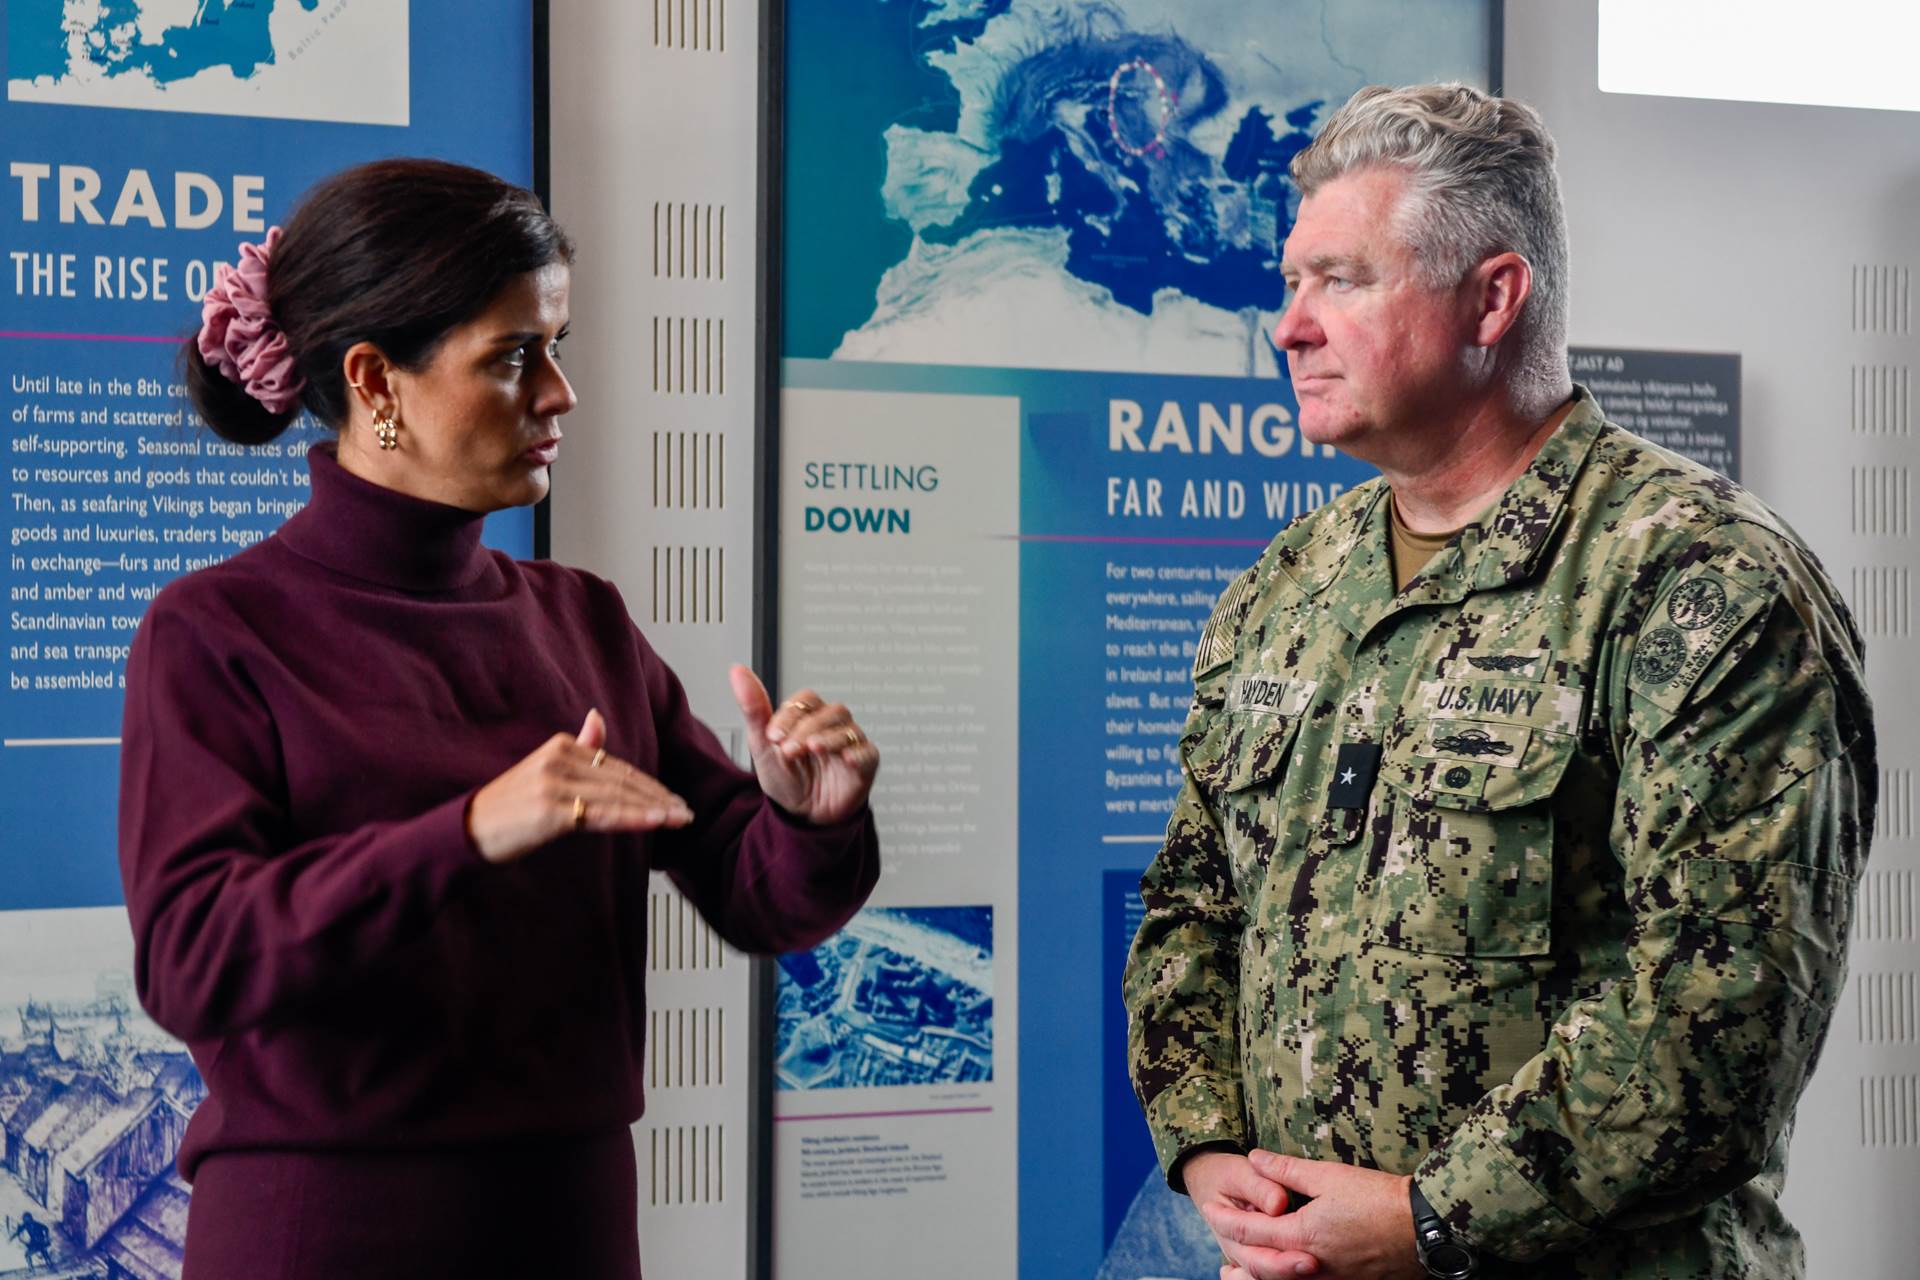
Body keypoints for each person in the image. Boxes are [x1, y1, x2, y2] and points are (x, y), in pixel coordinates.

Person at [1122, 83, 1874, 1280]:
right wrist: (1210, 1145)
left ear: (1493, 297)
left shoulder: (1698, 582)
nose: (1289, 327)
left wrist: (1432, 1218)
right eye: (1289, 282)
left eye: (1340, 280)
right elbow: (1193, 899)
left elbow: (1720, 1015)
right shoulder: (1290, 585)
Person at [118, 158, 881, 1279]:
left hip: (572, 1224)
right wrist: (469, 828)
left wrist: (804, 815)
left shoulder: (583, 620)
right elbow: (192, 960)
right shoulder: (216, 629)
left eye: (557, 347)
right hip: (325, 1233)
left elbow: (756, 893)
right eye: (515, 355)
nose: (559, 392)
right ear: (377, 382)